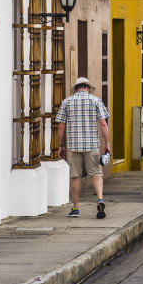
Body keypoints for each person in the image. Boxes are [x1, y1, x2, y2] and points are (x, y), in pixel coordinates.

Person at [55, 76, 110, 218]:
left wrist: (60, 146)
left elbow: (61, 127)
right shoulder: (96, 101)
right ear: (87, 88)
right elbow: (103, 124)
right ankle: (100, 199)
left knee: (75, 176)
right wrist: (107, 144)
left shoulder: (67, 102)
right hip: (92, 145)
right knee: (97, 174)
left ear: (76, 89)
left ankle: (75, 208)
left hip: (73, 146)